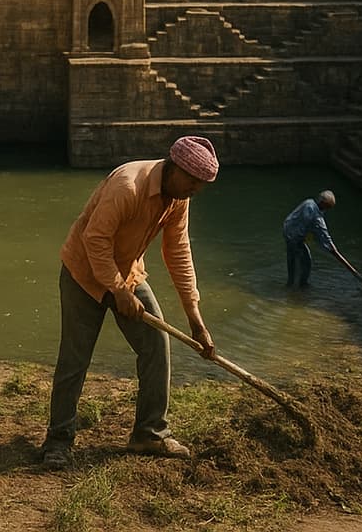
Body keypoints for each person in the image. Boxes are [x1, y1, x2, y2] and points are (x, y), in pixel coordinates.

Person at [39, 135, 220, 471]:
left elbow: (178, 252)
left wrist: (196, 319)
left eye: (201, 185)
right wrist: (117, 290)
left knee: (156, 344)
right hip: (83, 273)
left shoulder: (178, 197)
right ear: (175, 167)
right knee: (75, 358)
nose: (196, 189)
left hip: (127, 273)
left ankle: (149, 433)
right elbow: (95, 239)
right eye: (193, 181)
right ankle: (58, 440)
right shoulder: (128, 185)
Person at [281, 190, 355, 288]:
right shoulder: (313, 211)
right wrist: (332, 248)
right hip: (294, 236)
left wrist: (330, 246)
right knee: (306, 261)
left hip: (288, 230)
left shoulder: (309, 202)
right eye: (327, 207)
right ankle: (301, 285)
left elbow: (317, 230)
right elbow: (320, 230)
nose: (327, 210)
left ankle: (291, 283)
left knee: (292, 260)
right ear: (323, 204)